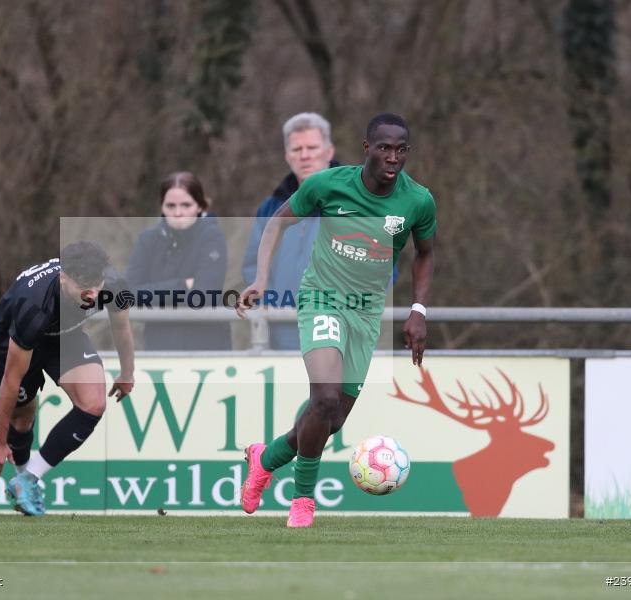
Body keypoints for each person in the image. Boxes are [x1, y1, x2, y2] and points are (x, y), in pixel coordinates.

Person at [236, 113, 437, 527]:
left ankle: (265, 458)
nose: (393, 157)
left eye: (401, 149)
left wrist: (418, 309)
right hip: (322, 299)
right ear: (368, 149)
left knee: (333, 418)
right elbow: (277, 223)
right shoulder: (328, 185)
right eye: (384, 148)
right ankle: (303, 501)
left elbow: (426, 252)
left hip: (367, 313)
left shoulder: (417, 200)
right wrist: (260, 278)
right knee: (324, 398)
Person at [0, 241, 136, 516]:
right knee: (22, 417)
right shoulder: (33, 306)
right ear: (63, 278)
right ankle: (23, 482)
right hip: (14, 338)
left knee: (94, 403)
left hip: (62, 334)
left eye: (96, 285)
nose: (92, 295)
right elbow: (11, 380)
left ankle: (27, 479)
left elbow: (122, 329)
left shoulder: (114, 285)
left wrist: (127, 372)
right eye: (83, 288)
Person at [241, 112, 336, 350]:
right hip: (281, 335)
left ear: (329, 152)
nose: (304, 156)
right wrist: (271, 303)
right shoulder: (271, 208)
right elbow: (253, 265)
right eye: (296, 149)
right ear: (287, 156)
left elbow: (384, 266)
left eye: (312, 147)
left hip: (339, 332)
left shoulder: (358, 202)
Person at [126, 171, 230, 350]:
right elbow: (129, 295)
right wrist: (182, 285)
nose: (178, 212)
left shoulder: (213, 237)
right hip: (159, 347)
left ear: (200, 206)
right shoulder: (147, 240)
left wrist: (153, 294)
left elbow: (204, 295)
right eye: (171, 206)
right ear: (162, 207)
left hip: (208, 348)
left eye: (186, 205)